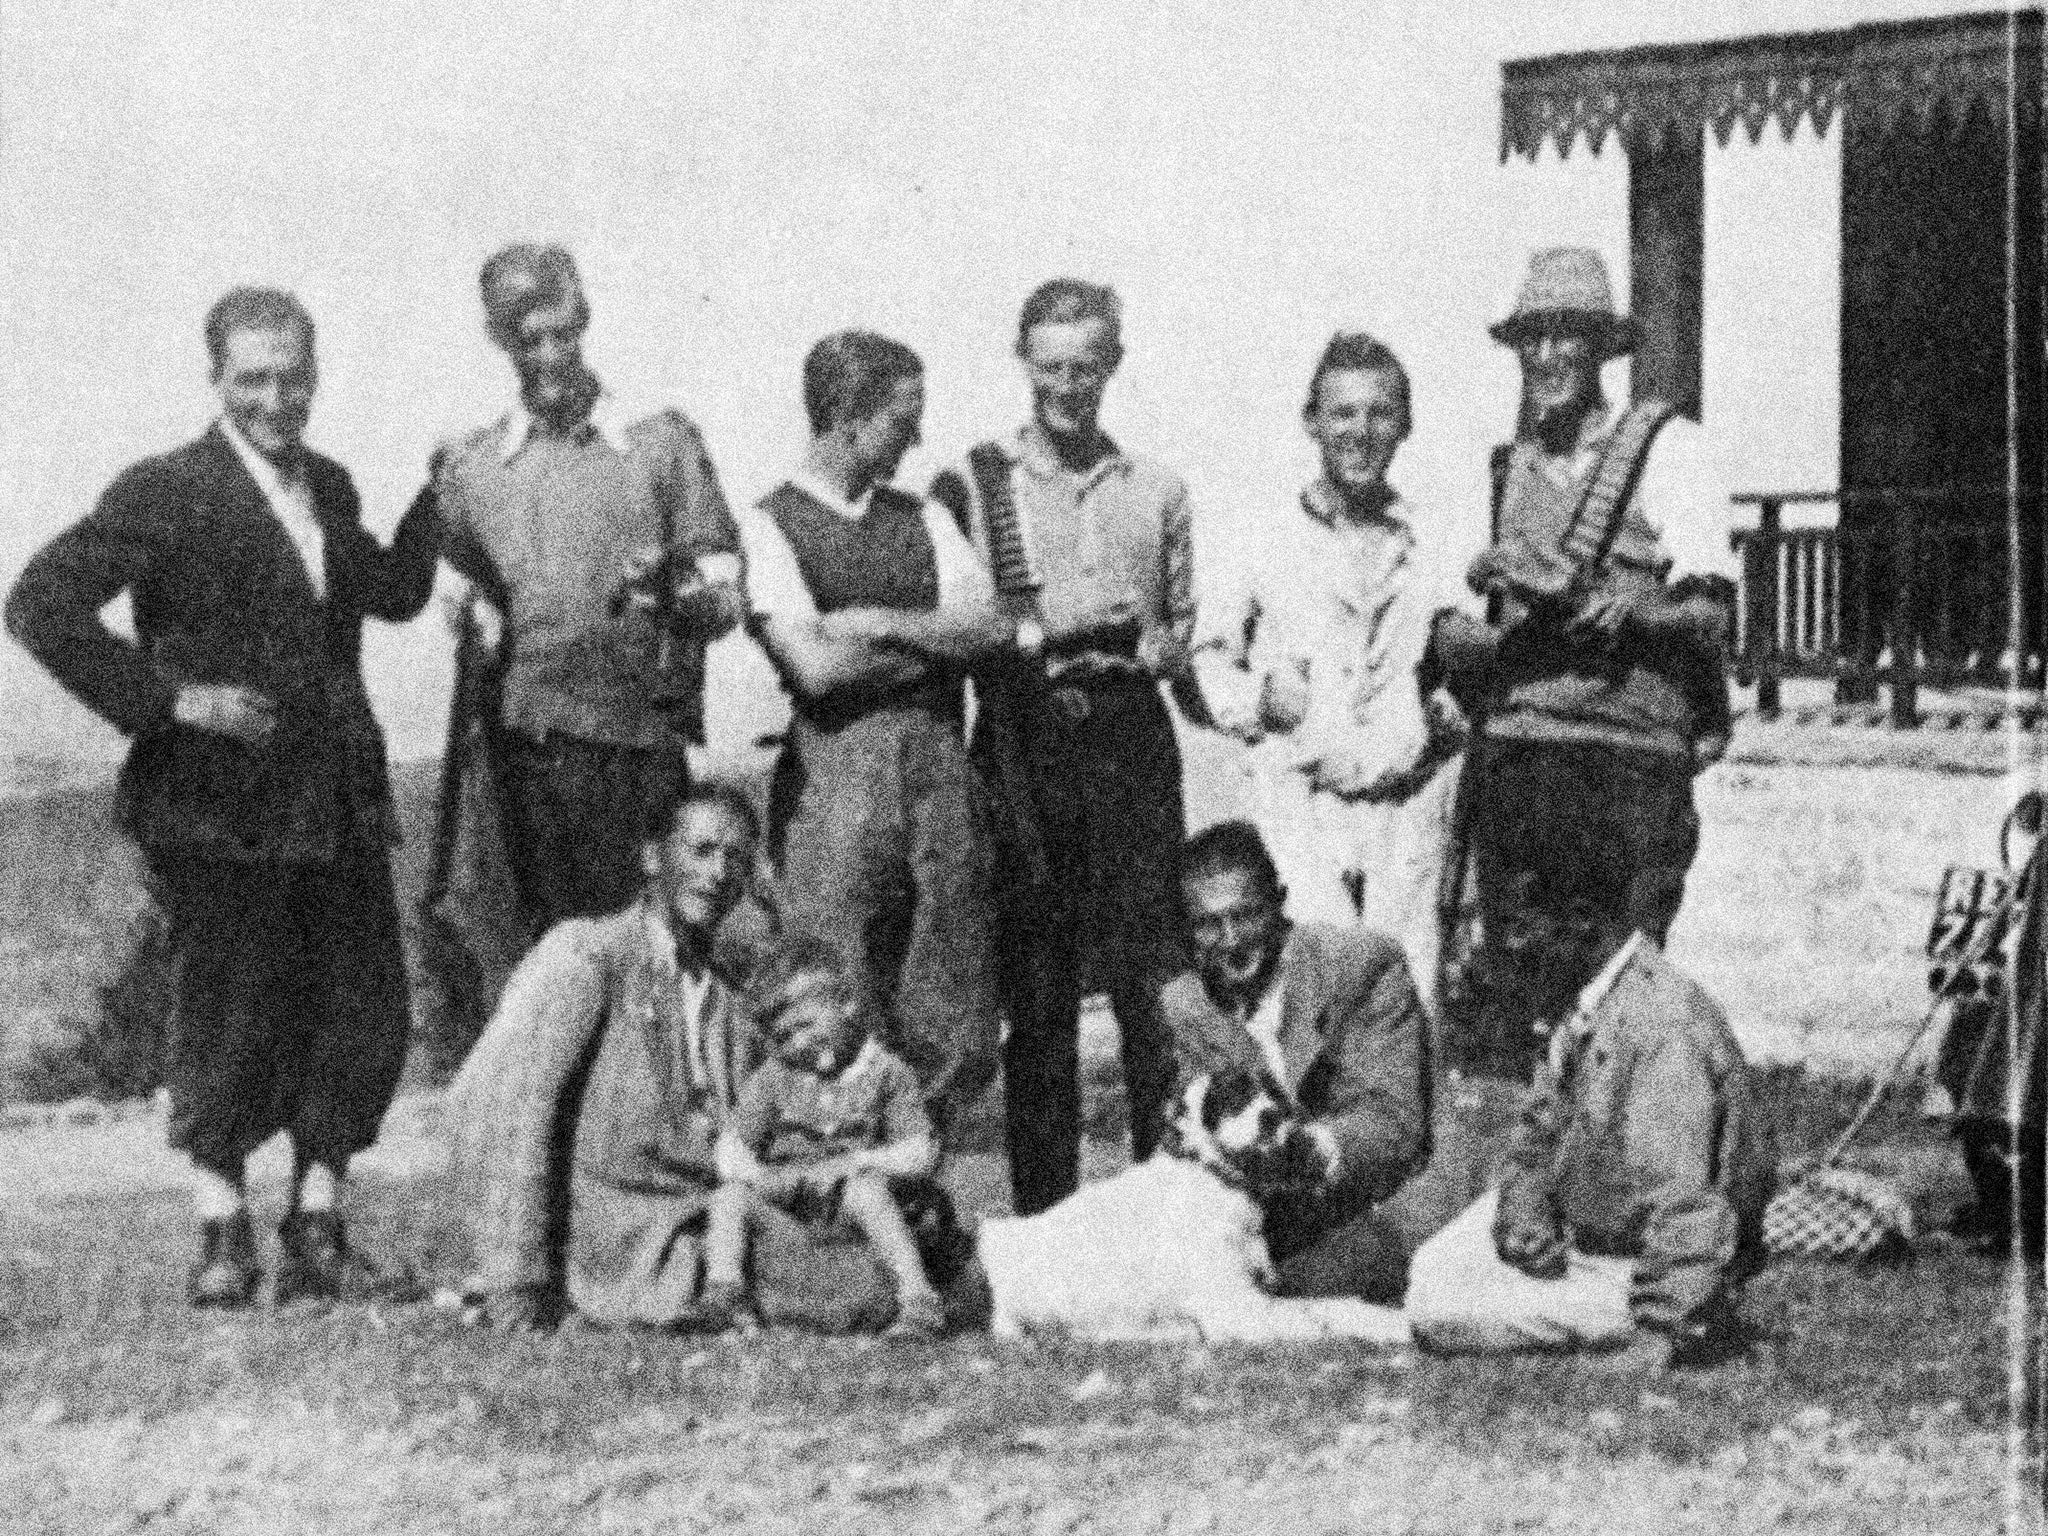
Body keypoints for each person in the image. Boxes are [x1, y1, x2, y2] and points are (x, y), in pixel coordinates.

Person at [5, 287, 441, 1306]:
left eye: (293, 376)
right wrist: (168, 701)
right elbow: (39, 602)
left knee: (360, 1007)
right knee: (229, 1012)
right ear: (217, 381)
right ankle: (220, 1228)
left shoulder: (327, 484)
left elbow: (392, 592)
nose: (276, 398)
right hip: (216, 807)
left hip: (333, 799)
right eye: (254, 378)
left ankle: (318, 1219)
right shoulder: (166, 489)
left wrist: (437, 492)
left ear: (315, 375)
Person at [447, 782, 963, 1332]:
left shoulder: (727, 995)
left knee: (908, 1230)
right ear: (653, 857)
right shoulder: (588, 957)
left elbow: (767, 1131)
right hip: (619, 1231)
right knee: (872, 1283)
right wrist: (515, 1279)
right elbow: (511, 1111)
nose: (718, 873)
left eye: (736, 859)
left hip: (711, 1215)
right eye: (702, 850)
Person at [1430, 247, 1737, 1082]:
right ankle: (1532, 1187)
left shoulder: (1669, 448)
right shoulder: (1500, 468)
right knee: (1520, 996)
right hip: (1520, 759)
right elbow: (1449, 628)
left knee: (1626, 987)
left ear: (1604, 347)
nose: (1550, 356)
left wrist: (1640, 612)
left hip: (1630, 761)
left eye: (1570, 336)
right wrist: (1476, 641)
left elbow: (1712, 616)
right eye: (1535, 337)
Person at [929, 278, 1200, 1216]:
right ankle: (1047, 1220)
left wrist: (1146, 646)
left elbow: (1177, 636)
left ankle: (1164, 1213)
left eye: (1086, 365)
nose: (1068, 385)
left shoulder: (1157, 488)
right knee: (1037, 1001)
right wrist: (1063, 627)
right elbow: (960, 624)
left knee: (1149, 995)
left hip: (1130, 744)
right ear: (1022, 361)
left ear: (1114, 364)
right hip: (1024, 742)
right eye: (1050, 365)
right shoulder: (973, 484)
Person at [736, 329, 1017, 1142]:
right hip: (834, 790)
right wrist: (932, 643)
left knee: (954, 1004)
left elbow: (992, 625)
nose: (918, 439)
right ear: (848, 418)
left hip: (939, 782)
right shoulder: (768, 525)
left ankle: (923, 1185)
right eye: (903, 419)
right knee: (834, 993)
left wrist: (876, 624)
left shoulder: (923, 515)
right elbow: (815, 672)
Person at [435, 243, 744, 941]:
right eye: (527, 340)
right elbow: (463, 606)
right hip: (527, 768)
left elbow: (725, 601)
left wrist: (677, 592)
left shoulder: (661, 444)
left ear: (585, 323)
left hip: (641, 755)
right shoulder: (476, 467)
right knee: (551, 965)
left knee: (659, 949)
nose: (549, 355)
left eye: (563, 334)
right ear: (498, 340)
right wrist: (475, 624)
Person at [1193, 329, 1467, 1017]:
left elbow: (1461, 653)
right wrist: (1260, 700)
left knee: (1408, 999)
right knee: (1310, 1002)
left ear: (1404, 424)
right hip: (1301, 801)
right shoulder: (1265, 533)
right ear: (1311, 421)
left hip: (1407, 798)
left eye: (1380, 413)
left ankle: (1406, 1127)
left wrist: (1451, 706)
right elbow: (1208, 658)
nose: (1361, 431)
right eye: (1342, 413)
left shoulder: (1431, 538)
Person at [1404, 913, 1776, 1371]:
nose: (1507, 946)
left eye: (1523, 928)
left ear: (1580, 924)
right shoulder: (1589, 994)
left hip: (1641, 1263)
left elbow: (1686, 1202)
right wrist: (1524, 1207)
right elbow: (1539, 1133)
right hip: (1587, 1233)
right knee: (1431, 1267)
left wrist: (1658, 1332)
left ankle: (1689, 1316)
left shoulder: (1661, 1024)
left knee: (1438, 1307)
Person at [1159, 820, 1431, 1301]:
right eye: (1208, 924)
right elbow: (1195, 1130)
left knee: (1303, 1281)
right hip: (1266, 1222)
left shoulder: (1361, 966)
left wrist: (1307, 1148)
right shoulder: (1188, 1003)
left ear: (1280, 903)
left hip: (1371, 1202)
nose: (1230, 940)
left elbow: (1394, 1125)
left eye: (1245, 916)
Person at [704, 934, 949, 1337]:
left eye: (805, 1024)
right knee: (728, 1197)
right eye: (783, 1037)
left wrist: (858, 1162)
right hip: (793, 1207)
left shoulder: (885, 1072)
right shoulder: (775, 1077)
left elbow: (920, 1151)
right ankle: (725, 1294)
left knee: (864, 1192)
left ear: (847, 1006)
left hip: (862, 1212)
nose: (798, 1043)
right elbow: (731, 1150)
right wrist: (765, 1179)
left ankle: (919, 1300)